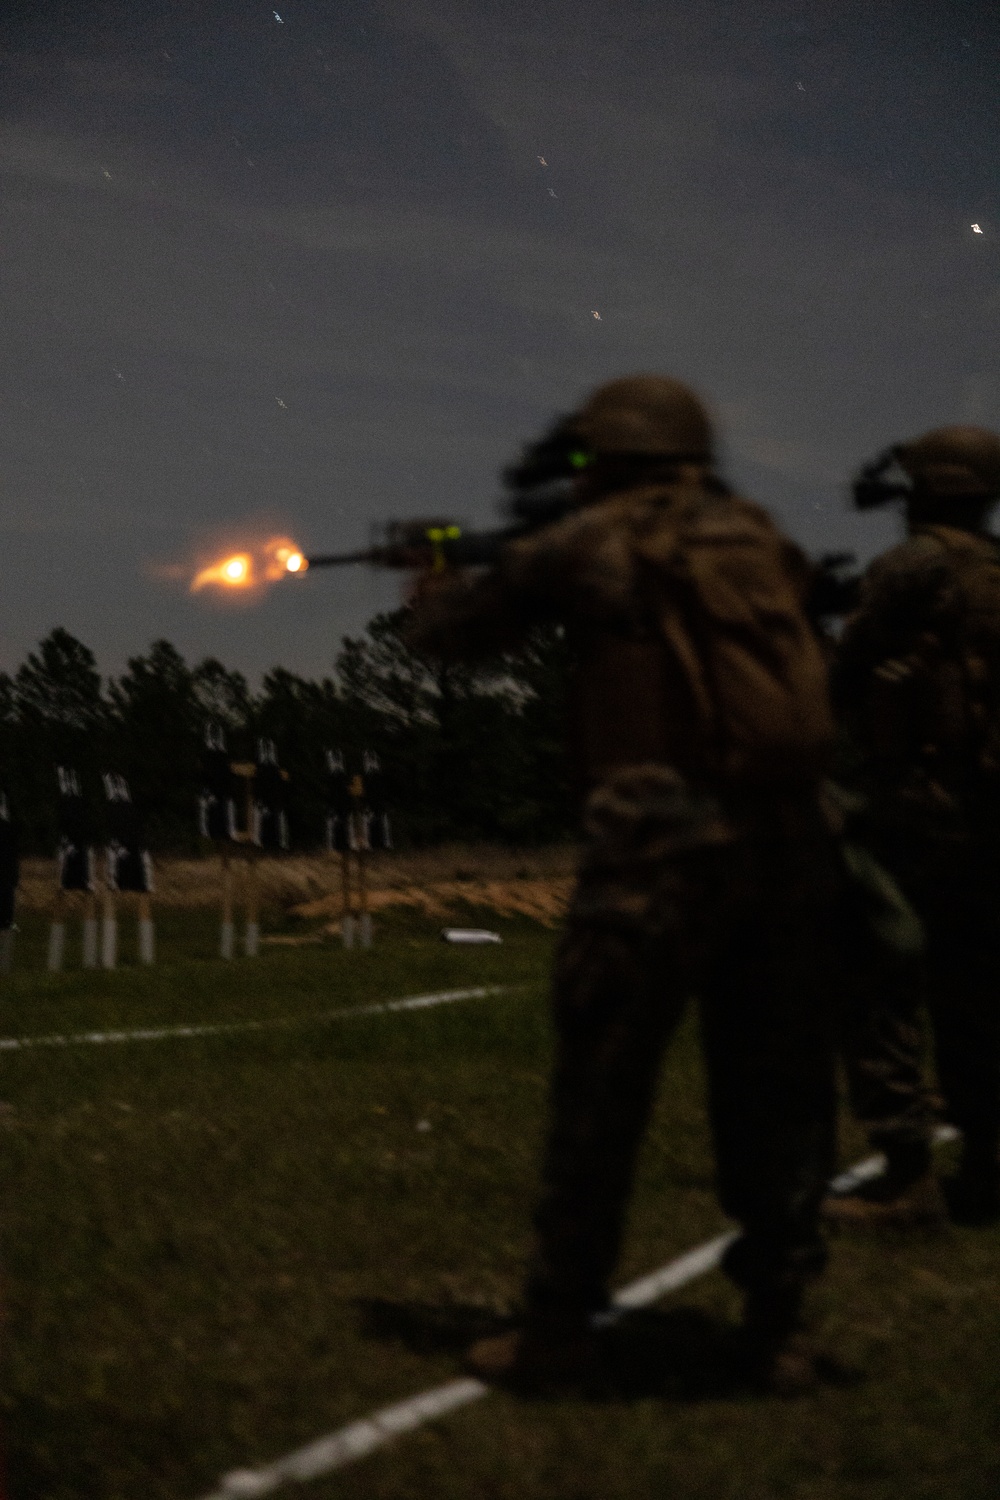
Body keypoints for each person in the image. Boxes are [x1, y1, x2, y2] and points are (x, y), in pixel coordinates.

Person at [408, 375, 844, 1395]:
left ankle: (557, 1327)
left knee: (601, 1092)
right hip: (786, 850)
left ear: (606, 455)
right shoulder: (758, 539)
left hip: (654, 858)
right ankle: (775, 1326)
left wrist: (428, 583)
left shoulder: (590, 541)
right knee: (777, 1099)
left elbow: (456, 638)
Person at [830, 425, 1000, 1227]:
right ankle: (988, 1166)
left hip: (923, 810)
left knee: (876, 978)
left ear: (932, 489)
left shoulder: (914, 566)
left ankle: (903, 1170)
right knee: (976, 992)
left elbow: (844, 670)